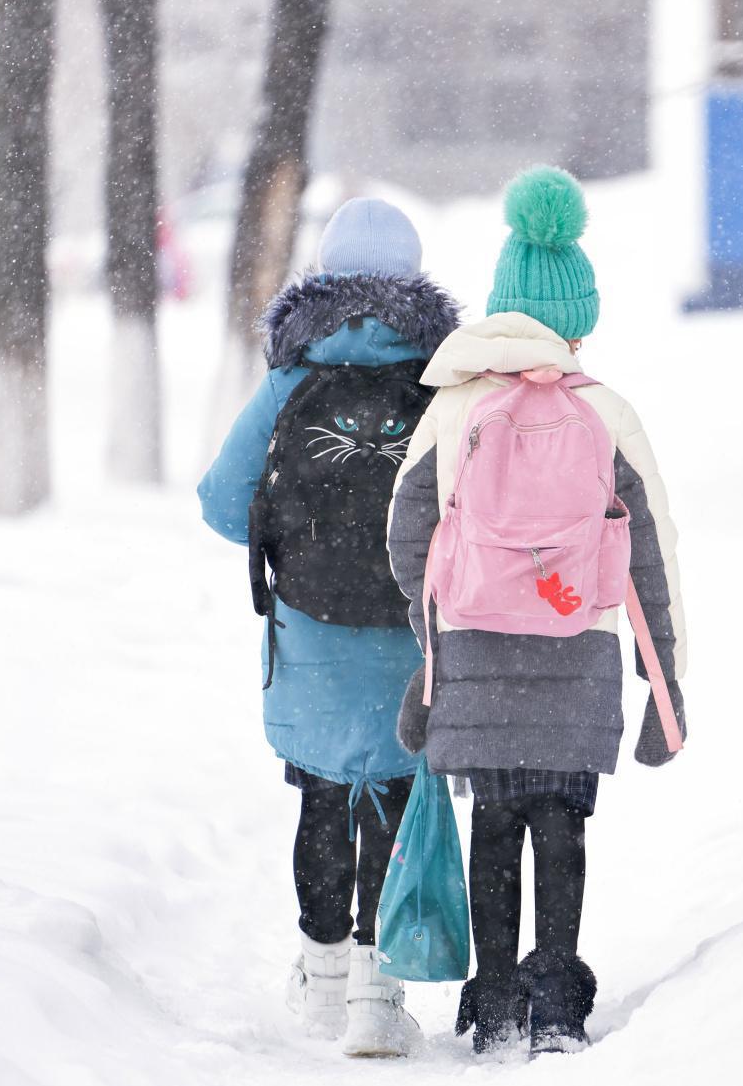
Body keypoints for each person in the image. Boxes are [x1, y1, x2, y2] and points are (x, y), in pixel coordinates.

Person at [387, 167, 688, 1056]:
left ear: (500, 307)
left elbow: (406, 533)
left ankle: (497, 1001)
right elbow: (652, 558)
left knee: (495, 821)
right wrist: (662, 677)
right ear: (581, 319)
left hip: (477, 648)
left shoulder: (453, 406)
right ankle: (558, 994)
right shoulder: (608, 412)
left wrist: (436, 616)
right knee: (562, 821)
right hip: (578, 650)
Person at [198, 198, 459, 1056]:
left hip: (308, 625)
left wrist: (300, 536)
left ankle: (318, 976)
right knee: (389, 792)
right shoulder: (443, 382)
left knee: (321, 791)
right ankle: (377, 994)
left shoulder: (290, 378)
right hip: (409, 626)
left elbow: (221, 505)